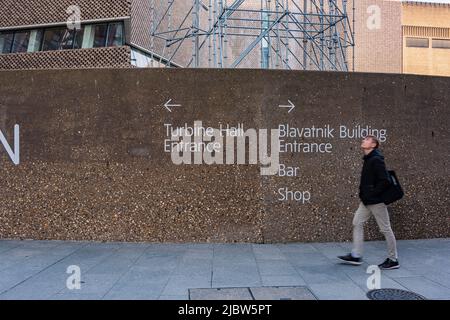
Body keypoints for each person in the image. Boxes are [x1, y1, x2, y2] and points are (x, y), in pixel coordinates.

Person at [338, 135, 400, 270]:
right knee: (357, 222)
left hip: (376, 202)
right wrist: (365, 194)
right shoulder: (368, 159)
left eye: (366, 139)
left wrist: (372, 193)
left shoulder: (376, 159)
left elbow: (385, 180)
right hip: (367, 201)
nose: (363, 140)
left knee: (385, 229)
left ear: (373, 144)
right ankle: (356, 255)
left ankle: (393, 259)